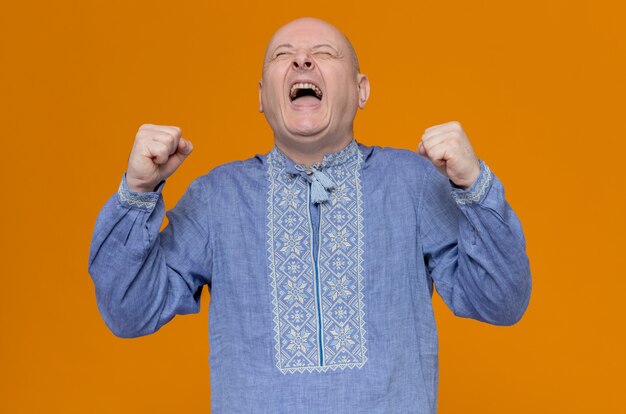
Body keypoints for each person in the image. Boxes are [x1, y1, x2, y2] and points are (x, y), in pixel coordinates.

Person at [88, 16, 531, 414]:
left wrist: (473, 185)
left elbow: (502, 301)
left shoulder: (412, 183)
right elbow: (129, 312)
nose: (302, 61)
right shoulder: (217, 197)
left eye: (323, 53)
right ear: (262, 97)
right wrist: (138, 191)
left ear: (361, 90)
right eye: (283, 55)